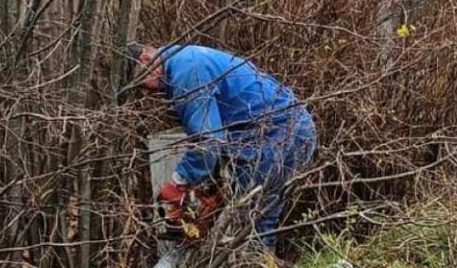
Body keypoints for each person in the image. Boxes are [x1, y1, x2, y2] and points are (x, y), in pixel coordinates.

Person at [127, 42, 317, 251]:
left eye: (141, 85)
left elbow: (208, 141)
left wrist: (178, 183)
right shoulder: (183, 59)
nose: (144, 94)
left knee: (252, 220)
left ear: (145, 60)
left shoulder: (187, 72)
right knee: (259, 215)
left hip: (277, 135)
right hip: (283, 131)